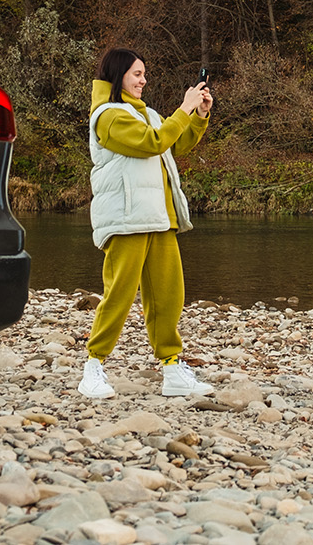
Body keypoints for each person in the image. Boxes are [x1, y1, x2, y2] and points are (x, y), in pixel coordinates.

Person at [79, 47, 215, 399]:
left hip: (159, 217)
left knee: (169, 296)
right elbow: (152, 143)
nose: (143, 80)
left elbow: (174, 143)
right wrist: (183, 108)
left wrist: (198, 115)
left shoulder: (148, 113)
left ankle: (172, 369)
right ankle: (93, 367)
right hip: (126, 219)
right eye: (137, 74)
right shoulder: (108, 116)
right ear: (118, 75)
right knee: (119, 295)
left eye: (144, 74)